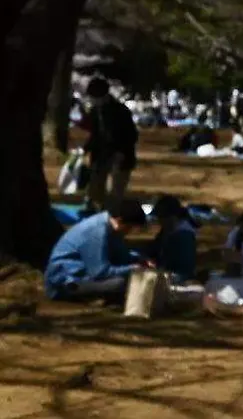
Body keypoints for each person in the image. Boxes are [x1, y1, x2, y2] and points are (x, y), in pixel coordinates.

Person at [44, 199, 148, 301]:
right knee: (120, 283)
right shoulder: (96, 232)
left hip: (83, 274)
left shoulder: (110, 228)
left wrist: (139, 259)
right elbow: (100, 272)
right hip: (65, 282)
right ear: (119, 221)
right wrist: (133, 269)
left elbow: (120, 255)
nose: (128, 232)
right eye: (129, 228)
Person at [82, 78, 139, 212]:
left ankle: (112, 215)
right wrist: (86, 149)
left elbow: (131, 135)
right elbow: (95, 134)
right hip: (101, 154)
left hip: (121, 155)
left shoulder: (121, 111)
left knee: (116, 191)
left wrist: (122, 152)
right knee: (95, 186)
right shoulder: (95, 111)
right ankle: (96, 211)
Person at [148, 195, 198, 281]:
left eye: (160, 218)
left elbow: (184, 269)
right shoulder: (166, 232)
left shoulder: (184, 237)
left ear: (171, 217)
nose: (159, 221)